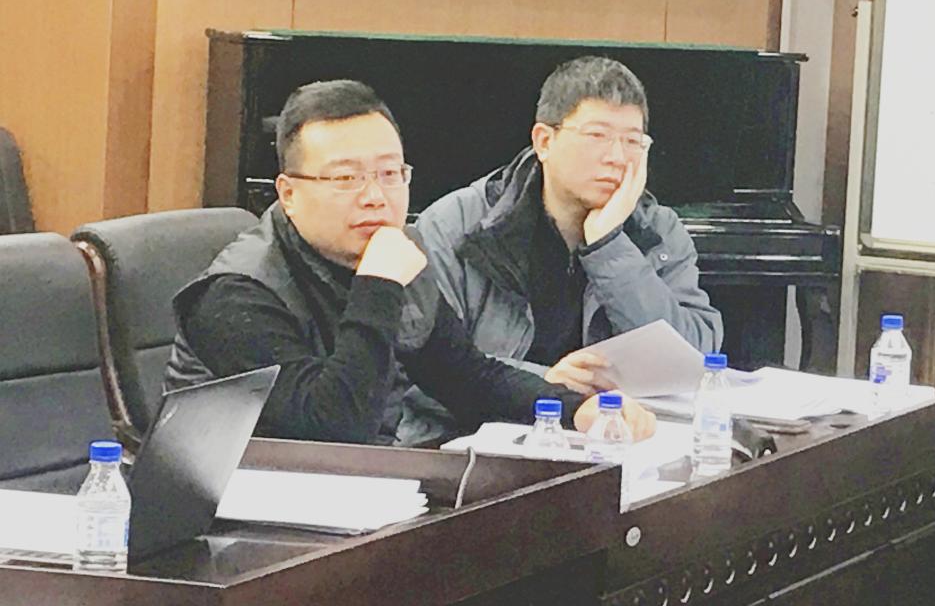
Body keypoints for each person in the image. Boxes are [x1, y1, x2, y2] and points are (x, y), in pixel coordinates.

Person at [163, 79, 655, 445]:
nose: (375, 197)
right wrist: (377, 286)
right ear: (288, 194)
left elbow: (467, 377)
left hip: (359, 495)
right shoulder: (235, 294)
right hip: (246, 513)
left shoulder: (394, 253)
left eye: (390, 174)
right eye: (346, 179)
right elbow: (335, 427)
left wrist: (578, 409)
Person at [406, 56, 722, 440]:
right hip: (471, 441)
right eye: (597, 136)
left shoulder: (658, 230)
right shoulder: (457, 224)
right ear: (544, 141)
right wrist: (547, 386)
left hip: (612, 442)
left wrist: (608, 247)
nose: (617, 157)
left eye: (632, 141)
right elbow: (423, 371)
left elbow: (695, 361)